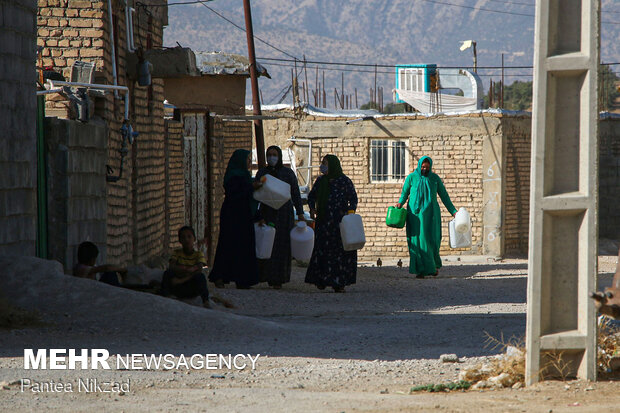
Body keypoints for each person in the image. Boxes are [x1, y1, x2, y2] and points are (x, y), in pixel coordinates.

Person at [395, 156, 457, 278]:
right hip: (415, 215)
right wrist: (400, 203)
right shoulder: (412, 178)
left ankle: (433, 267)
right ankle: (420, 270)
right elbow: (405, 193)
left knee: (432, 240)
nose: (424, 169)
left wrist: (453, 211)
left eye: (427, 167)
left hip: (431, 215)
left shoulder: (434, 178)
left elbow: (444, 195)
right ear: (419, 166)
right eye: (423, 167)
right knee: (418, 241)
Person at [209, 149, 261, 289]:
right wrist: (251, 187)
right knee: (228, 244)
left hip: (244, 215)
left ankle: (243, 279)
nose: (249, 162)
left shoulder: (244, 175)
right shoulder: (233, 176)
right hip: (232, 214)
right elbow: (234, 194)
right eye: (247, 160)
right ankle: (220, 276)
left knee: (244, 247)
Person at [305, 155, 358, 293]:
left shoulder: (344, 181)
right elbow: (311, 196)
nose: (322, 166)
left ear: (333, 165)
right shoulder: (321, 181)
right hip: (323, 222)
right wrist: (312, 209)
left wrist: (350, 213)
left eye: (325, 163)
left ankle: (339, 283)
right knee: (322, 250)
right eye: (322, 163)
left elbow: (352, 199)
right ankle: (321, 280)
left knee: (339, 252)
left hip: (340, 224)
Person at [255, 145, 305, 289]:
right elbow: (257, 195)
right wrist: (258, 216)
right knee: (267, 244)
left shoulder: (288, 173)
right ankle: (265, 276)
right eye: (269, 155)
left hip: (284, 215)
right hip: (267, 213)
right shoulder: (262, 173)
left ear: (279, 156)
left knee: (282, 246)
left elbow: (295, 193)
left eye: (274, 154)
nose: (272, 157)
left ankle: (279, 279)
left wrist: (300, 213)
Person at [161, 226, 211, 309]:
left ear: (194, 239)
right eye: (183, 237)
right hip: (177, 288)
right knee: (167, 273)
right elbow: (172, 266)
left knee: (200, 277)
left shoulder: (198, 254)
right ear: (180, 240)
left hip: (190, 287)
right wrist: (186, 270)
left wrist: (181, 280)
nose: (186, 240)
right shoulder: (177, 253)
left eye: (189, 236)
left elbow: (199, 269)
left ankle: (206, 301)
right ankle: (166, 296)